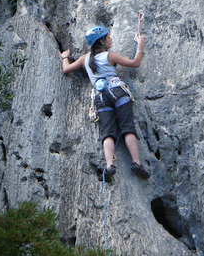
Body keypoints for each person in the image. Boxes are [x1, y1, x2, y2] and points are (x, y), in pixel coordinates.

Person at [61, 26, 150, 181]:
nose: (111, 40)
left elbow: (66, 69)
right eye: (109, 37)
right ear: (102, 41)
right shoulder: (110, 56)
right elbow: (135, 63)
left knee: (108, 131)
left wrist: (65, 57)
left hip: (100, 97)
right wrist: (140, 43)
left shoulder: (84, 59)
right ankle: (136, 163)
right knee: (127, 127)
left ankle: (109, 165)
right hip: (117, 91)